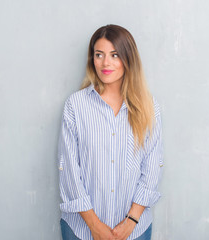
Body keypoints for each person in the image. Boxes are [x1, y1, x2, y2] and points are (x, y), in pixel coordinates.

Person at [58, 24, 163, 240]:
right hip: (81, 229)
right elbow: (69, 170)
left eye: (114, 55)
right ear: (92, 59)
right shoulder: (75, 106)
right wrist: (94, 226)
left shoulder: (149, 107)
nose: (106, 63)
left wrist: (131, 222)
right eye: (99, 55)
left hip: (134, 230)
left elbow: (152, 167)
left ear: (128, 58)